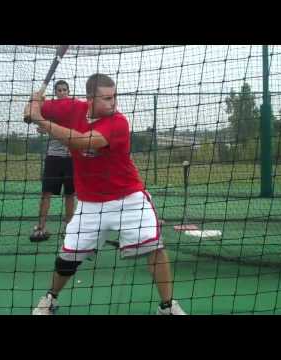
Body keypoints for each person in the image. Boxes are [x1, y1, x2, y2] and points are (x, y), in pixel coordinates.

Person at [27, 73, 186, 315]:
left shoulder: (118, 122)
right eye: (107, 98)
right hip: (90, 204)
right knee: (67, 258)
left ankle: (167, 307)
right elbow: (30, 110)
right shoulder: (72, 108)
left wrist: (40, 120)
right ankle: (50, 299)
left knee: (155, 248)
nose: (114, 103)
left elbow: (82, 141)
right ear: (90, 98)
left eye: (115, 97)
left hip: (128, 199)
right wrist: (34, 103)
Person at [29, 80, 76, 242]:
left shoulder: (73, 108)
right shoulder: (50, 109)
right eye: (59, 90)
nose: (62, 92)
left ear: (68, 91)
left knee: (70, 194)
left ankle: (69, 229)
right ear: (55, 92)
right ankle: (41, 227)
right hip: (53, 157)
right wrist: (35, 100)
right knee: (46, 193)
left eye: (64, 90)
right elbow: (34, 117)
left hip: (71, 158)